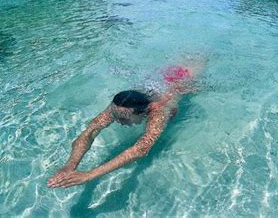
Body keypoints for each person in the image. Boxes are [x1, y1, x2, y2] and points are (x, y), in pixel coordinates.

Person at [47, 61, 204, 189]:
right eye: (115, 116)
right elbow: (91, 131)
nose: (117, 120)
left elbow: (141, 149)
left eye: (123, 119)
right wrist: (70, 165)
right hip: (166, 77)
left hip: (187, 77)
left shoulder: (158, 113)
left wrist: (89, 175)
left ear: (143, 112)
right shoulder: (120, 105)